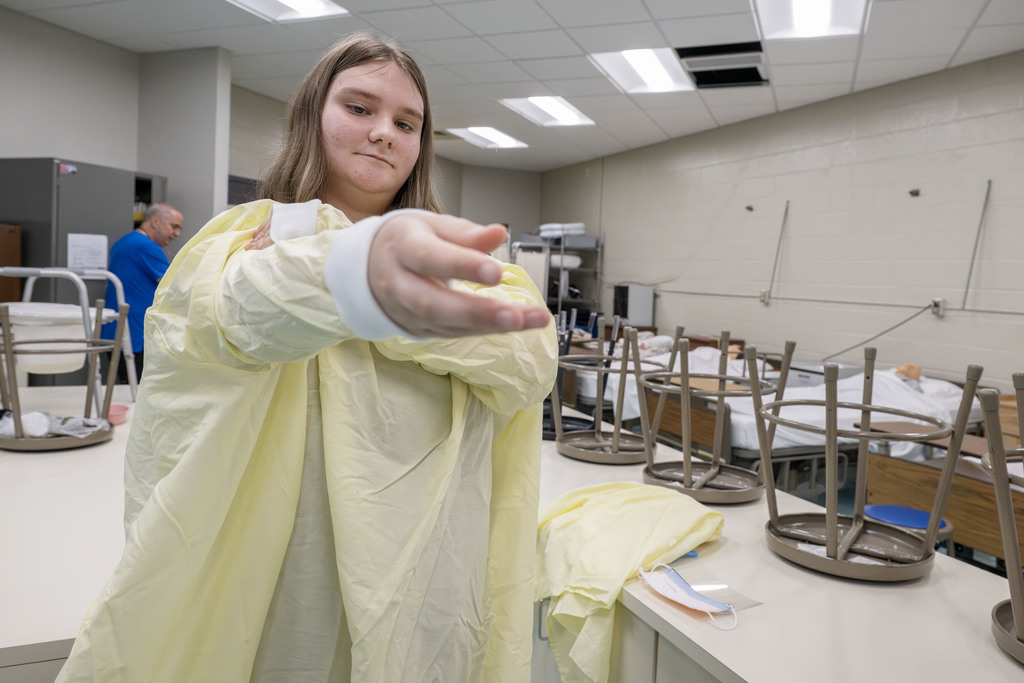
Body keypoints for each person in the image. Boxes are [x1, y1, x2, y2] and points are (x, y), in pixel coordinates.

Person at [57, 31, 557, 683]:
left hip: (421, 577)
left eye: (406, 123)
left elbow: (527, 358)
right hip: (282, 585)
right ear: (310, 116)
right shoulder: (237, 245)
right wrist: (357, 271)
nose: (384, 132)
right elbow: (245, 306)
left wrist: (398, 294)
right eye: (359, 108)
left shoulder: (470, 267)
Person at [102, 202, 183, 382]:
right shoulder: (146, 247)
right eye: (174, 226)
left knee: (127, 385)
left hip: (116, 331)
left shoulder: (124, 241)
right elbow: (175, 286)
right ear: (155, 222)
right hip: (134, 334)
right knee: (139, 390)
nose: (177, 233)